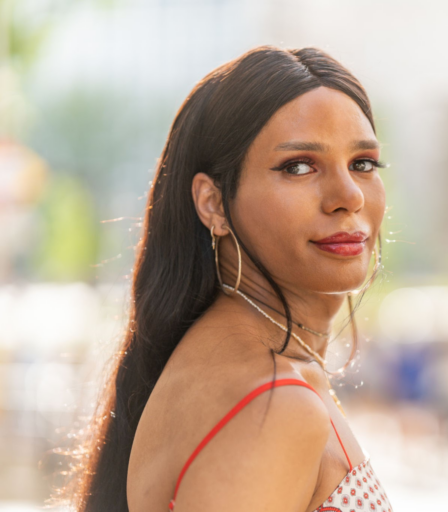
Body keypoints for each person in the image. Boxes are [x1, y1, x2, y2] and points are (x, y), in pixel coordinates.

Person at [63, 46, 393, 512]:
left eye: (363, 163)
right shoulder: (273, 405)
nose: (349, 195)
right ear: (213, 203)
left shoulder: (237, 366)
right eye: (298, 166)